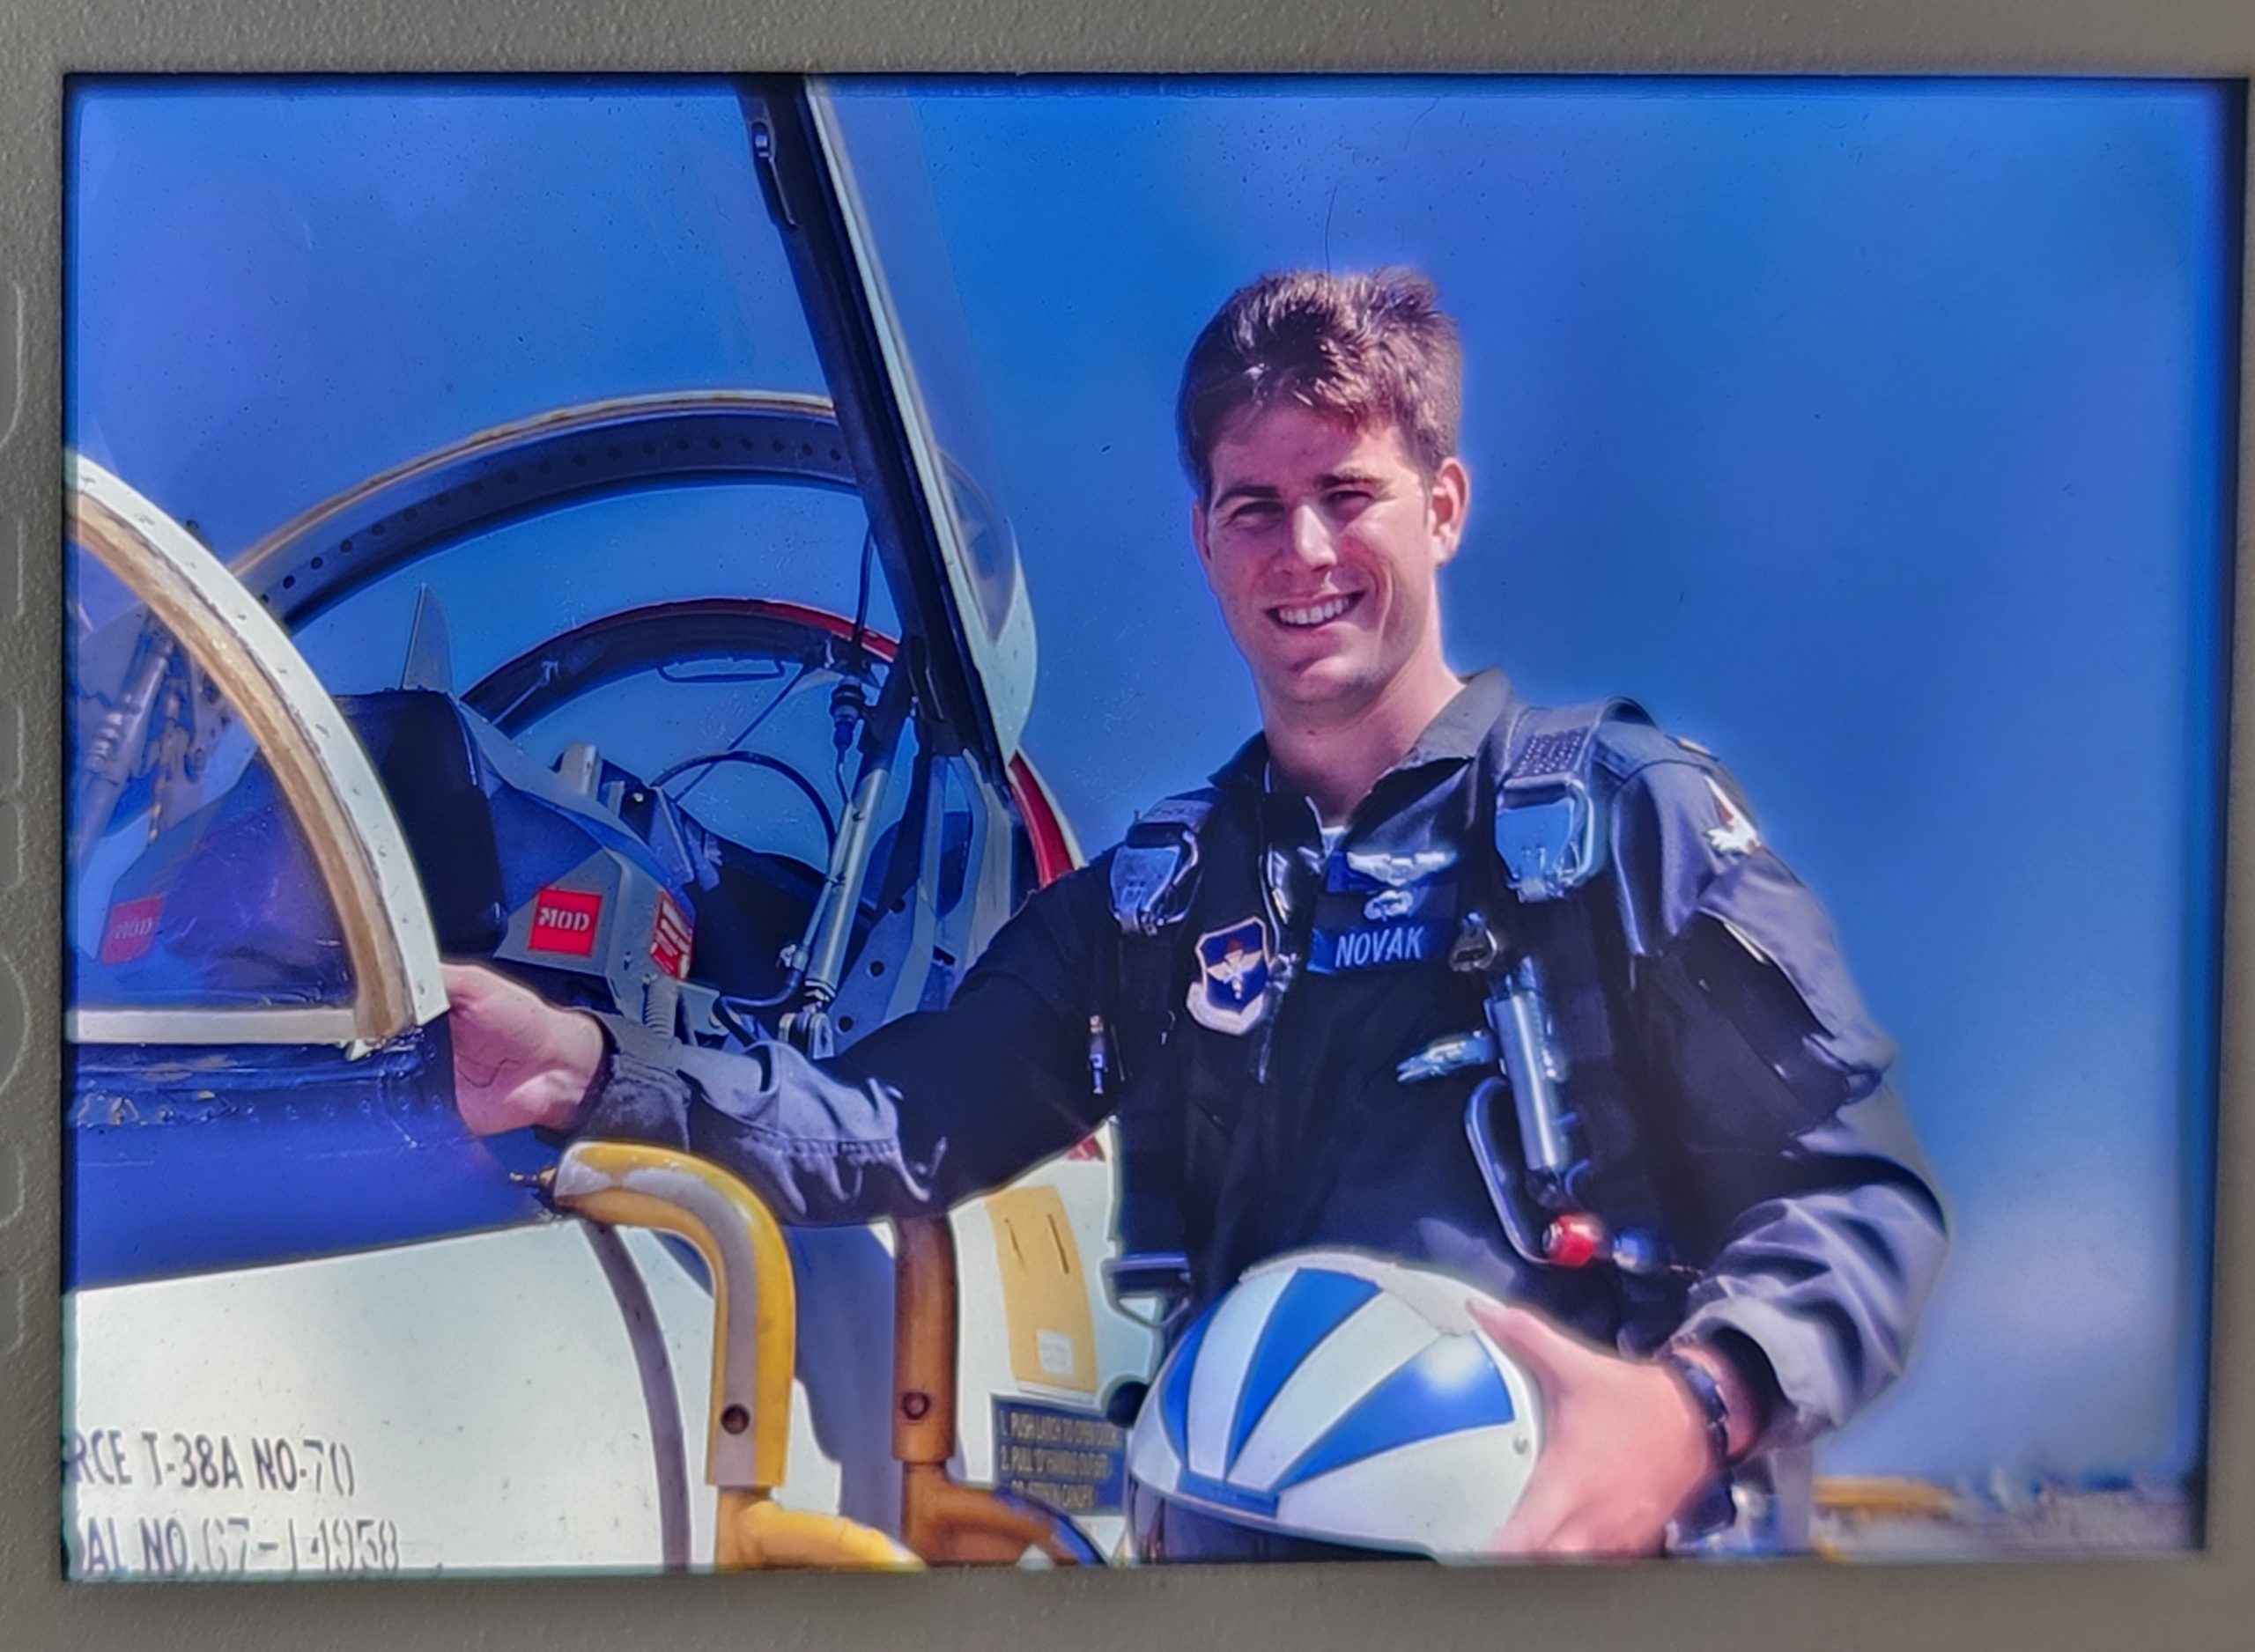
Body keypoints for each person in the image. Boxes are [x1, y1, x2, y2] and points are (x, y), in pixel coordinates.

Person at [445, 269, 1947, 1560]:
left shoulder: (1620, 821)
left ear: (1443, 507)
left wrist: (1688, 1413)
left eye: (1347, 495)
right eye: (1257, 507)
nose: (1304, 552)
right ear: (1207, 541)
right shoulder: (1156, 906)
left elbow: (1859, 1198)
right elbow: (892, 1120)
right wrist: (593, 1068)